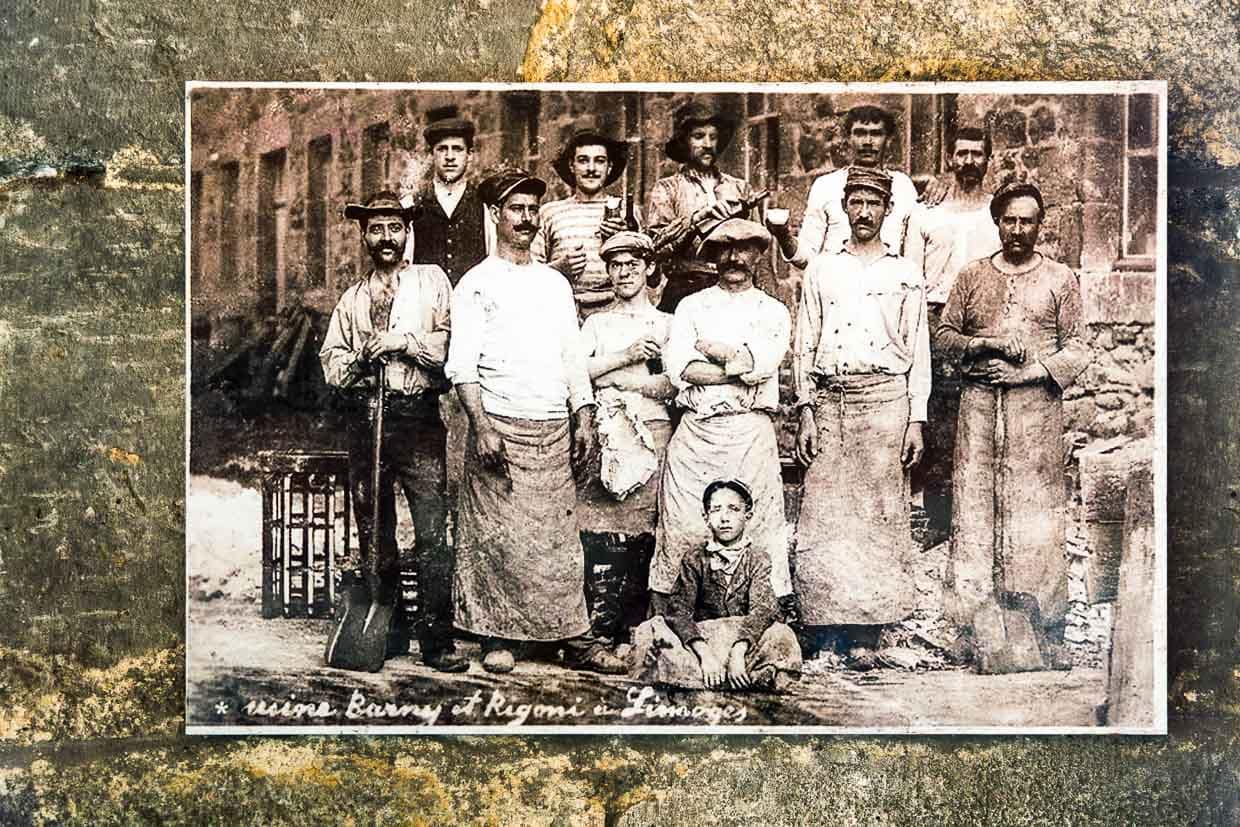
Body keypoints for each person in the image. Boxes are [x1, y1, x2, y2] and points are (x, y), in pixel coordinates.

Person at [444, 165, 626, 675]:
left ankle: (574, 637)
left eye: (531, 211)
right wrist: (481, 426)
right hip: (499, 425)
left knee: (556, 543)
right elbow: (461, 365)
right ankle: (498, 638)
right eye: (515, 210)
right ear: (495, 216)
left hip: (552, 427)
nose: (524, 220)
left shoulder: (553, 284)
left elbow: (572, 355)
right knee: (498, 538)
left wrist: (583, 416)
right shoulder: (475, 284)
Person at [935, 181, 1091, 667]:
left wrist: (1027, 372)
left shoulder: (1060, 279)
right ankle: (968, 627)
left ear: (1039, 225)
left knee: (1035, 515)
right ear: (997, 223)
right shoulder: (971, 277)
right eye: (1010, 220)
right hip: (979, 409)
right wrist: (984, 345)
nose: (1018, 230)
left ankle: (1048, 630)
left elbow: (1079, 349)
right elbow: (943, 337)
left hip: (1035, 415)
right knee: (975, 511)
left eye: (1027, 220)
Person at [319, 191, 467, 673]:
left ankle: (437, 640)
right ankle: (391, 631)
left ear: (407, 233)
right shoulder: (352, 298)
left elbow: (449, 346)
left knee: (431, 530)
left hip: (417, 416)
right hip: (367, 419)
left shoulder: (431, 282)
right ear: (364, 235)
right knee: (374, 527)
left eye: (394, 228)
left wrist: (402, 342)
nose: (386, 238)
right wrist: (362, 355)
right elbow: (331, 364)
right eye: (376, 230)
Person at [791, 167, 930, 663]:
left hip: (885, 399)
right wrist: (806, 408)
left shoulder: (904, 273)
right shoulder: (822, 269)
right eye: (856, 203)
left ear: (887, 210)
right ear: (844, 208)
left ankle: (869, 628)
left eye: (874, 203)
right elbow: (804, 343)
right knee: (826, 511)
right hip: (831, 399)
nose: (864, 212)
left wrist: (916, 418)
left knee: (877, 513)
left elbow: (918, 347)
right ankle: (827, 623)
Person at [654, 218, 792, 617]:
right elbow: (681, 368)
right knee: (683, 524)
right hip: (696, 431)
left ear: (758, 254)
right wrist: (736, 365)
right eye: (724, 250)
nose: (734, 258)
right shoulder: (691, 306)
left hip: (749, 431)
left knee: (758, 526)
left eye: (744, 248)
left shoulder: (773, 311)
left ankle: (758, 623)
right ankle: (674, 622)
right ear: (713, 256)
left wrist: (711, 352)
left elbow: (759, 364)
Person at [576, 231, 676, 644]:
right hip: (607, 433)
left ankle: (634, 621)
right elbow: (579, 372)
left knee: (644, 528)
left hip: (652, 431)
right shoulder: (596, 323)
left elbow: (670, 385)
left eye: (633, 264)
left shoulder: (667, 323)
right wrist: (629, 358)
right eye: (616, 265)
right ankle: (599, 621)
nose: (624, 272)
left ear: (649, 267)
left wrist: (615, 378)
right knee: (599, 526)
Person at [903, 127, 1002, 537]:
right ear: (949, 159)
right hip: (935, 318)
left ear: (987, 160)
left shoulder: (996, 216)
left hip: (984, 320)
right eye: (961, 154)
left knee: (982, 411)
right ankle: (939, 520)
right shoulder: (928, 217)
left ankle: (980, 517)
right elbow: (911, 276)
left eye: (977, 154)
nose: (968, 162)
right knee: (939, 418)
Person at [630, 479, 802, 691]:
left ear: (747, 516)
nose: (725, 518)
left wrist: (738, 652)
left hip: (742, 641)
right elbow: (679, 610)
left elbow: (762, 609)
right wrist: (705, 655)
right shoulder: (694, 558)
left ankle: (735, 673)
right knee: (650, 631)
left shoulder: (758, 558)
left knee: (782, 634)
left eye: (733, 509)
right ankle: (720, 676)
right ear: (706, 517)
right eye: (716, 510)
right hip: (704, 641)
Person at [769, 104, 919, 269]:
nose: (868, 142)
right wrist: (784, 237)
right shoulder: (826, 185)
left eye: (876, 134)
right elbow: (807, 257)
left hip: (886, 287)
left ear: (888, 140)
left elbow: (915, 252)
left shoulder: (902, 186)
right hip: (836, 284)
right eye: (860, 133)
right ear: (848, 138)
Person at [646, 100, 756, 312]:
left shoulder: (740, 188)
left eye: (713, 137)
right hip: (686, 287)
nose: (707, 144)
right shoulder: (667, 188)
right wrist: (694, 221)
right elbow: (657, 248)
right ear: (684, 141)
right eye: (699, 136)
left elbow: (758, 248)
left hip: (735, 290)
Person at [531, 119, 642, 319]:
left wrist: (625, 239)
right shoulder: (550, 212)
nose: (591, 168)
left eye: (599, 161)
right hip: (564, 310)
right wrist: (558, 269)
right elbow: (529, 272)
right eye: (583, 160)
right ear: (572, 166)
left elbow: (648, 272)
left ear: (609, 168)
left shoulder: (627, 212)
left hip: (616, 312)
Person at [408, 109, 489, 285]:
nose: (450, 157)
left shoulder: (485, 204)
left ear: (470, 155)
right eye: (442, 149)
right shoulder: (412, 203)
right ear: (431, 155)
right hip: (427, 306)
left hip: (473, 303)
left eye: (457, 149)